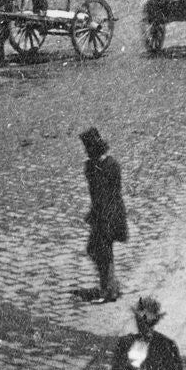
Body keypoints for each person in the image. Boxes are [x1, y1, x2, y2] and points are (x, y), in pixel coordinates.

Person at [102, 296, 186, 370]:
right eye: (139, 320)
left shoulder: (166, 346)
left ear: (154, 322)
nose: (142, 325)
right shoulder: (125, 343)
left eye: (147, 322)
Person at [80, 127, 128, 304]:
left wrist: (99, 216)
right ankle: (110, 285)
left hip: (109, 215)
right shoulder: (96, 166)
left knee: (100, 251)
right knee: (98, 250)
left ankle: (109, 289)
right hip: (103, 215)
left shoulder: (107, 166)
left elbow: (107, 194)